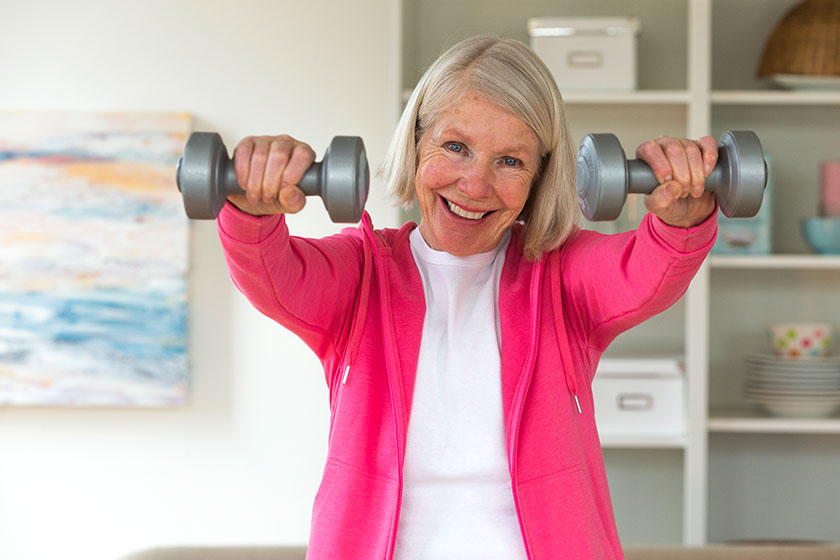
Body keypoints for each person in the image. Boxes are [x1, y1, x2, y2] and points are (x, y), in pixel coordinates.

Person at [217, 35, 718, 560]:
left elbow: (646, 273)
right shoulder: (359, 276)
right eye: (455, 147)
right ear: (416, 143)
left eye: (509, 161)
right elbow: (271, 274)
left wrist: (680, 218)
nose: (475, 184)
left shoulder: (561, 275)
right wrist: (253, 205)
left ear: (539, 178)